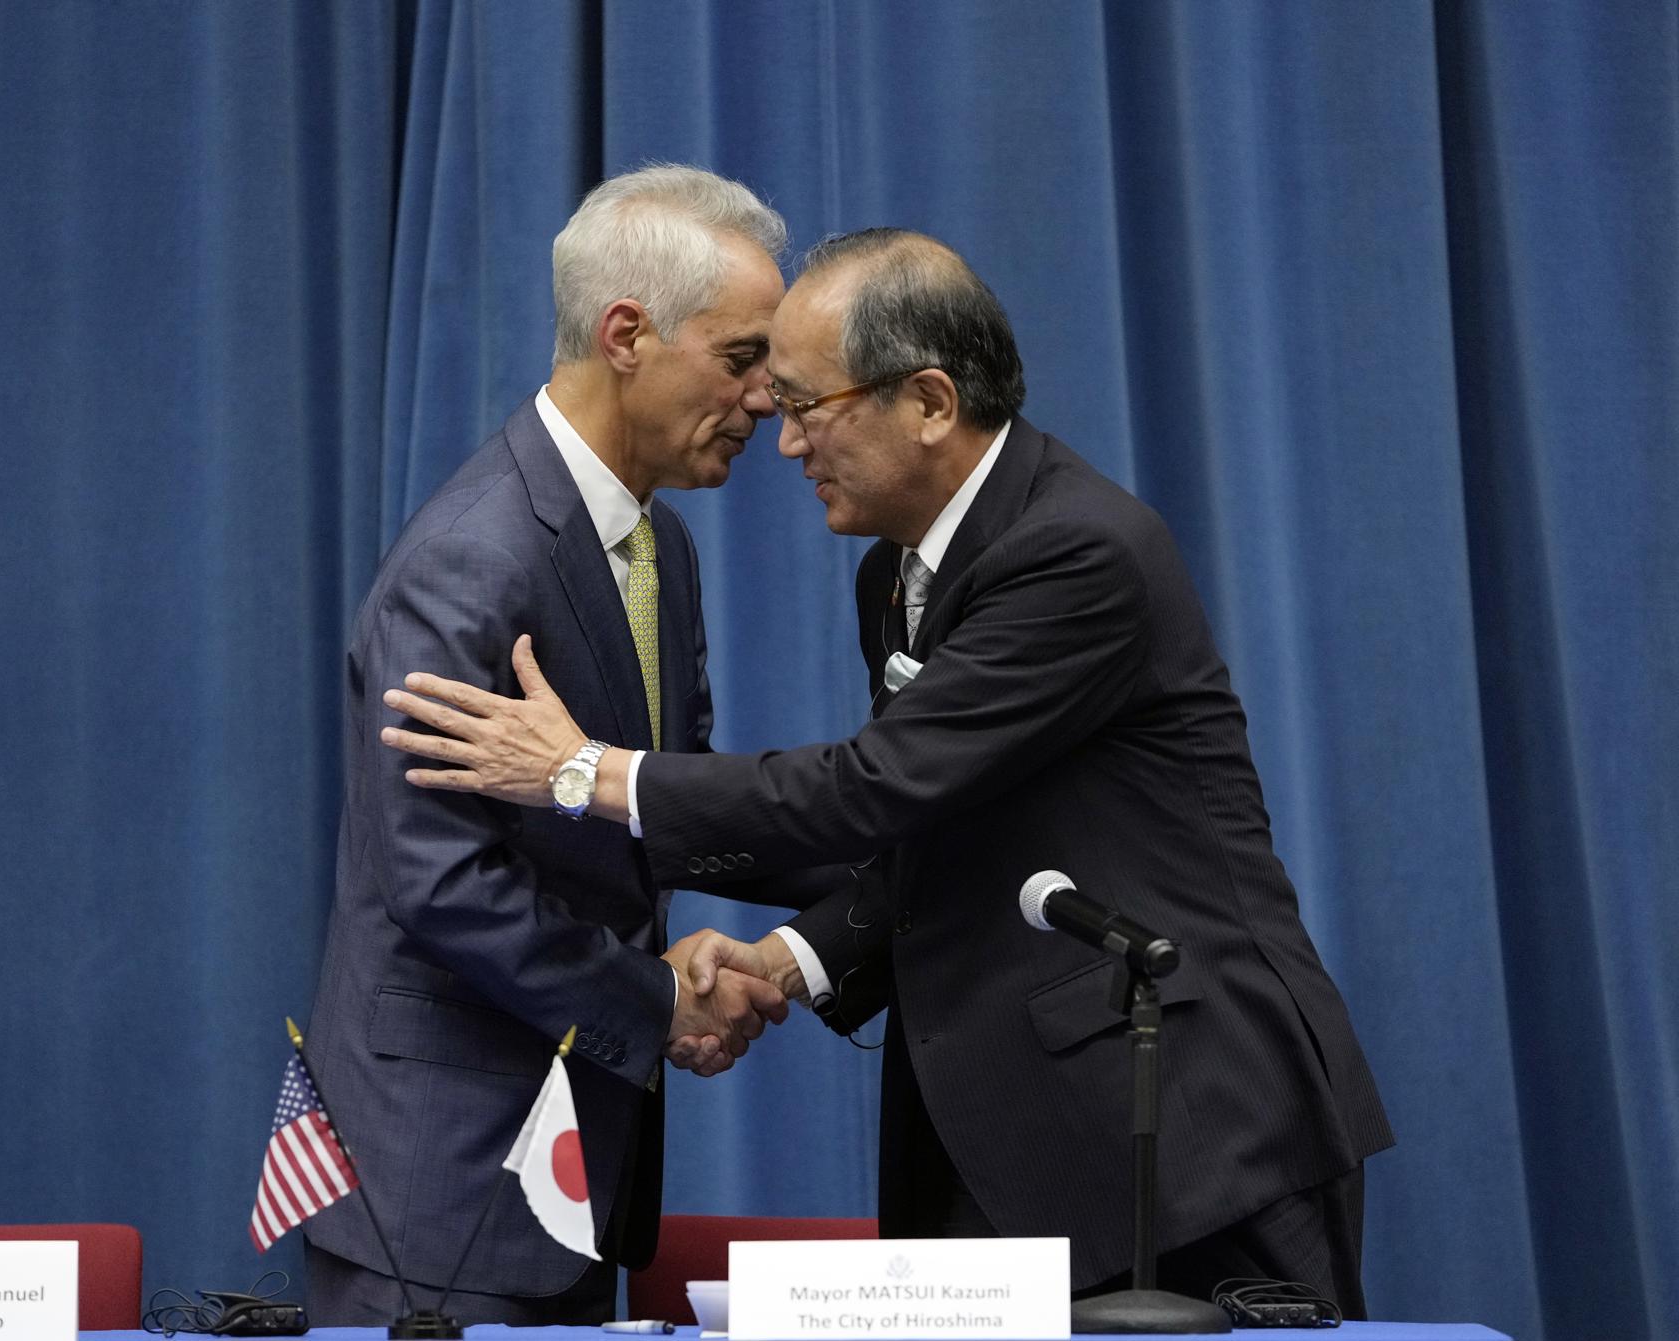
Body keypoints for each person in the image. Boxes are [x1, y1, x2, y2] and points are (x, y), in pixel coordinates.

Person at [382, 229, 1396, 1315]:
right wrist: (786, 960)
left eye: (808, 403)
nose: (784, 441)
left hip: (1187, 1138)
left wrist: (586, 774)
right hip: (1014, 1134)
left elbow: (871, 787)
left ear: (926, 401)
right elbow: (924, 835)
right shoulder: (896, 577)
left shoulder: (1078, 551)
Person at [300, 166, 821, 1328]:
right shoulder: (472, 561)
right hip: (444, 1188)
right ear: (625, 334)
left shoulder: (659, 549)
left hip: (572, 1163)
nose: (770, 401)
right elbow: (439, 881)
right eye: (743, 360)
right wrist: (652, 996)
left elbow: (645, 817)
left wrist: (860, 883)